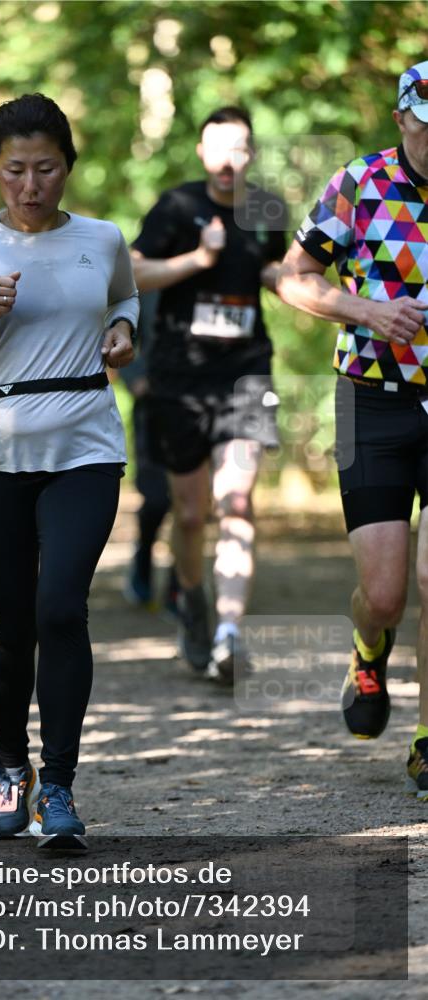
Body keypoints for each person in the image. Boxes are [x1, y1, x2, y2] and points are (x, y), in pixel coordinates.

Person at [0, 93, 138, 847]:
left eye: (46, 167)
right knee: (12, 624)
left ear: (68, 167)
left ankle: (59, 787)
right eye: (15, 170)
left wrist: (122, 327)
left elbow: (126, 296)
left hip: (85, 444)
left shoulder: (102, 238)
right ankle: (9, 767)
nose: (31, 184)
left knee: (59, 609)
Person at [277, 62, 428, 800]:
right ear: (402, 120)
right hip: (369, 399)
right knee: (387, 590)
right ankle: (369, 648)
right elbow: (291, 276)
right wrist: (367, 312)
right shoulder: (359, 184)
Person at [131, 107, 287, 680]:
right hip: (181, 379)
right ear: (202, 153)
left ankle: (228, 634)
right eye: (218, 148)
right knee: (192, 515)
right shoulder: (176, 206)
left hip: (246, 371)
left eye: (240, 148)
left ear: (250, 154)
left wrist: (305, 287)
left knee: (238, 502)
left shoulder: (268, 208)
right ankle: (192, 606)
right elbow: (131, 273)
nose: (229, 160)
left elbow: (279, 269)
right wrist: (199, 258)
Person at [119, 290, 178, 615]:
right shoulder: (146, 276)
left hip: (200, 404)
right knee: (156, 498)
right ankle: (143, 558)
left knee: (191, 505)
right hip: (153, 406)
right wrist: (135, 377)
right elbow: (114, 324)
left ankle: (178, 587)